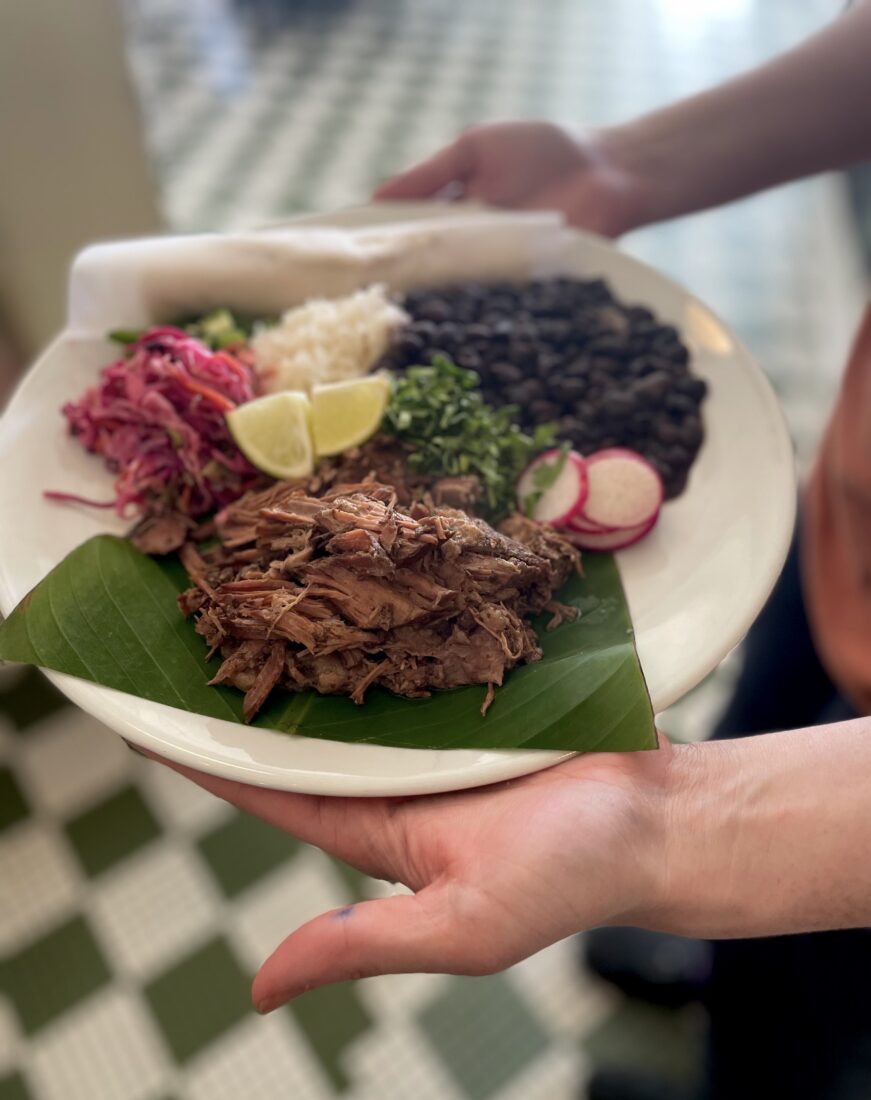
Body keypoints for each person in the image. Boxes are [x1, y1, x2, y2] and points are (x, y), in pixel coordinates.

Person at [149, 4, 871, 1097]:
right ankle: (718, 966)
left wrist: (687, 833)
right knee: (768, 715)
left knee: (820, 986)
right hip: (851, 503)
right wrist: (617, 165)